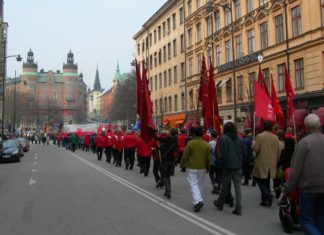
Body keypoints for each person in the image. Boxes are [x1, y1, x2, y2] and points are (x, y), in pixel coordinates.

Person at [281, 114, 324, 235]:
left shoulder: (303, 143)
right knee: (320, 219)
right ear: (319, 125)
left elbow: (295, 170)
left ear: (306, 127)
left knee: (306, 221)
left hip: (308, 188)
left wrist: (286, 189)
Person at [213, 122, 246, 215]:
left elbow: (220, 154)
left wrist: (219, 164)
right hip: (238, 166)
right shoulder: (240, 139)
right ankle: (238, 207)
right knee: (237, 188)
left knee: (225, 187)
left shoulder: (223, 139)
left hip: (227, 166)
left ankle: (220, 203)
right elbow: (244, 153)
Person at [181, 127, 210, 212]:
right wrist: (208, 167)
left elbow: (185, 156)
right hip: (202, 167)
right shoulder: (206, 144)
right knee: (200, 184)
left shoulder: (190, 143)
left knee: (193, 184)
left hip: (192, 167)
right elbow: (208, 158)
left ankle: (198, 201)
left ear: (194, 134)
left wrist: (182, 164)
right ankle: (197, 201)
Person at [253, 120, 280, 207]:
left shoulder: (259, 136)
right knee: (267, 180)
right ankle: (265, 200)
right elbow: (278, 151)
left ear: (263, 127)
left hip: (262, 160)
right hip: (272, 161)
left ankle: (267, 194)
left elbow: (256, 149)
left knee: (258, 179)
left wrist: (253, 145)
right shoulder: (275, 137)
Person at [155, 128, 178, 199]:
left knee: (164, 176)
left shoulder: (167, 139)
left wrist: (153, 133)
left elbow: (157, 138)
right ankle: (166, 190)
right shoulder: (175, 140)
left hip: (165, 160)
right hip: (171, 161)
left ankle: (168, 189)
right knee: (168, 176)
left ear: (170, 133)